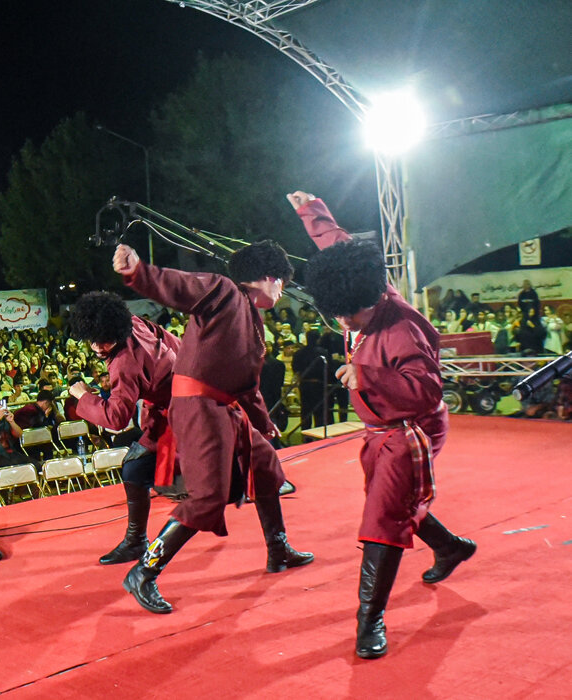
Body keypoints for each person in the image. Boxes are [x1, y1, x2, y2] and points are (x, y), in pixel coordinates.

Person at [291, 190, 476, 660]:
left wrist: (369, 376)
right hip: (381, 430)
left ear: (368, 298)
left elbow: (427, 391)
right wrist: (313, 213)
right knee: (396, 504)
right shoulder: (366, 288)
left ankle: (369, 620)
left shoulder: (402, 328)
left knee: (381, 517)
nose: (341, 320)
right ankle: (451, 548)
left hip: (410, 431)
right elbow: (343, 249)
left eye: (346, 312)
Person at [114, 240, 314, 615]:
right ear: (272, 278)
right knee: (207, 496)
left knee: (265, 465)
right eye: (282, 284)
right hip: (199, 407)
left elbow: (247, 386)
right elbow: (180, 286)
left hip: (223, 408)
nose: (282, 292)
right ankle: (144, 571)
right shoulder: (224, 290)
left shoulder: (251, 318)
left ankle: (278, 548)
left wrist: (263, 424)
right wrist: (139, 272)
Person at [67, 290, 180, 566]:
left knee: (138, 468)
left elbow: (117, 418)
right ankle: (136, 540)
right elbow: (171, 340)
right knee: (136, 467)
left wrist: (83, 396)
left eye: (103, 341)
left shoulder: (124, 364)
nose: (97, 347)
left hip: (182, 410)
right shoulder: (133, 322)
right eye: (92, 340)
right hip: (179, 399)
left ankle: (137, 543)